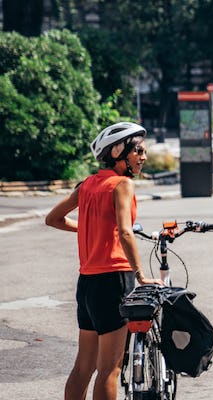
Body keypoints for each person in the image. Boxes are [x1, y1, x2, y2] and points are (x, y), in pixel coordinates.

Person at [45, 122, 163, 400]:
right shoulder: (123, 184)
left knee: (83, 367)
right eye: (139, 151)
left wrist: (88, 227)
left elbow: (52, 219)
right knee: (109, 368)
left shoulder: (87, 184)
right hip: (114, 280)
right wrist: (141, 275)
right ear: (118, 152)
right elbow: (124, 231)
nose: (143, 157)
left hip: (87, 283)